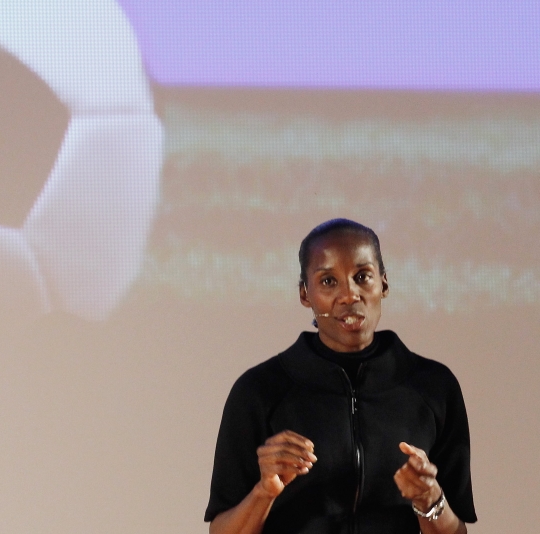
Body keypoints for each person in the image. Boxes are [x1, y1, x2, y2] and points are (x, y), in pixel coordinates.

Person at [204, 219, 476, 534]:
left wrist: (430, 499)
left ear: (383, 284)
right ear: (306, 294)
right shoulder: (259, 390)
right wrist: (264, 492)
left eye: (362, 277)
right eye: (329, 281)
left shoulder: (433, 387)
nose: (349, 295)